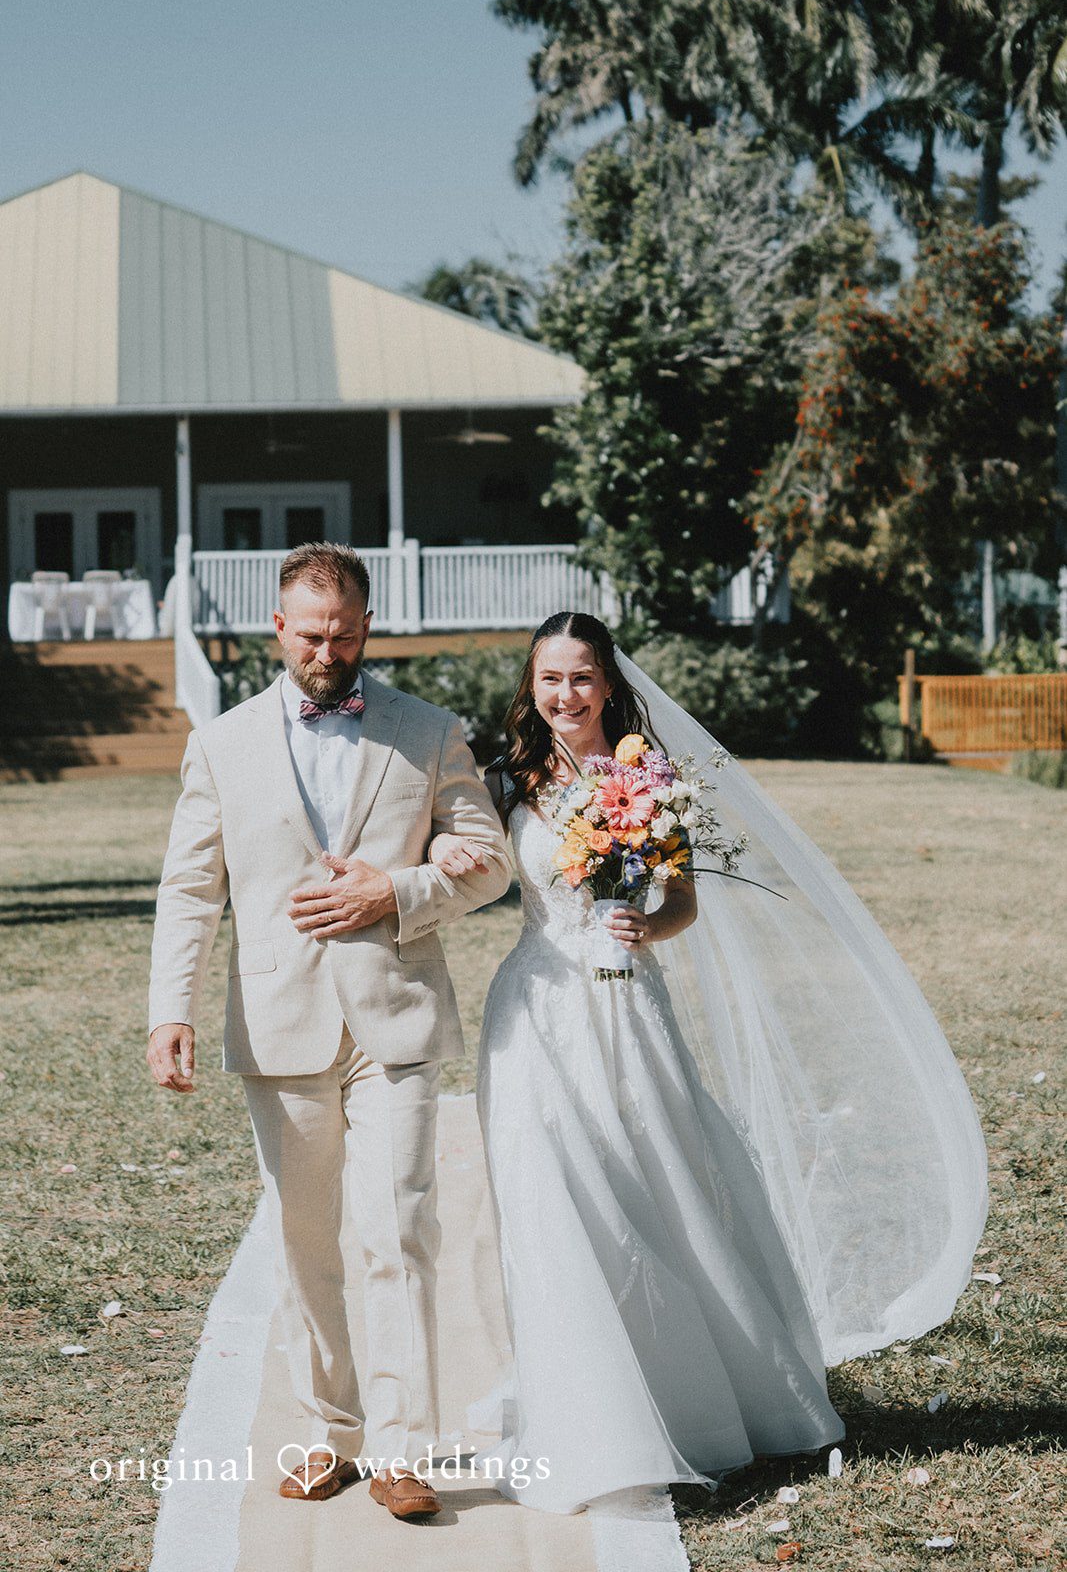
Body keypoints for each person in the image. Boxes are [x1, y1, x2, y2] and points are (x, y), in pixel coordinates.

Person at [429, 610, 988, 1515]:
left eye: (580, 677)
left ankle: (694, 1396)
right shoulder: (506, 777)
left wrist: (644, 924)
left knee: (656, 1190)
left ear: (608, 683)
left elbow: (681, 898)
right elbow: (467, 869)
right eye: (548, 679)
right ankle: (586, 1404)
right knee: (551, 1199)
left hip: (624, 1004)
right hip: (534, 1011)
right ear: (529, 687)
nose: (564, 695)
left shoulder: (647, 778)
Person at [146, 542, 511, 1519]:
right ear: (278, 630)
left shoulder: (428, 732)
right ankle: (326, 1431)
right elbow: (190, 888)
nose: (328, 651)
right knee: (307, 1235)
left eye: (345, 635)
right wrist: (168, 1010)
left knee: (398, 1224)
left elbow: (490, 860)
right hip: (279, 1020)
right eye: (311, 635)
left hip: (394, 1019)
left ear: (365, 630)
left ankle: (400, 1448)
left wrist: (397, 889)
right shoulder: (220, 743)